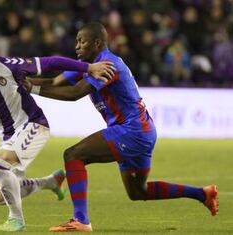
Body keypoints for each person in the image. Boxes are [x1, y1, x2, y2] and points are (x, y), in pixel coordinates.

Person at [24, 22, 219, 232]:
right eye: (77, 41)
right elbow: (55, 82)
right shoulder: (87, 65)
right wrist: (24, 81)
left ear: (97, 43)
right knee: (138, 192)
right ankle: (203, 194)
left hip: (131, 130)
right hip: (141, 131)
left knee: (73, 155)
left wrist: (32, 89)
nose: (77, 46)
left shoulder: (108, 65)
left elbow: (74, 94)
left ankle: (80, 220)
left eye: (82, 41)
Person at [0, 34, 114, 232]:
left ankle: (17, 220)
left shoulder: (9, 67)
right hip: (7, 135)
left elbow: (52, 62)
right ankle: (50, 182)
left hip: (34, 125)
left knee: (1, 163)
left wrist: (89, 67)